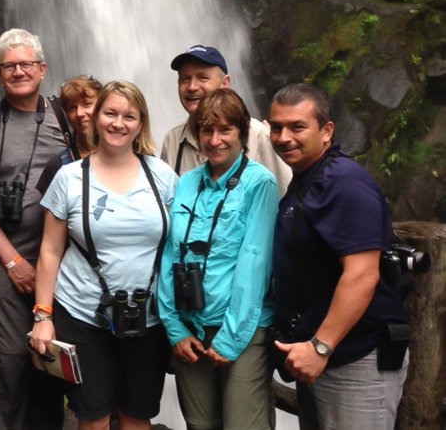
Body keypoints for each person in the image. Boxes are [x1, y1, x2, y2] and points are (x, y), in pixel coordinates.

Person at [30, 80, 178, 430]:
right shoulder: (68, 178)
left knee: (137, 415)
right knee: (92, 415)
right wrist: (43, 316)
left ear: (140, 123)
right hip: (83, 314)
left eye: (129, 116)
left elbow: (177, 247)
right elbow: (50, 251)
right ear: (96, 118)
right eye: (110, 113)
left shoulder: (162, 176)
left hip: (148, 316)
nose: (118, 123)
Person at [268, 83, 408, 430]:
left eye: (297, 127)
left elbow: (362, 274)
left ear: (326, 130)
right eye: (276, 127)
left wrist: (320, 347)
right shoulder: (306, 180)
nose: (284, 137)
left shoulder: (343, 182)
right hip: (320, 356)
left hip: (355, 357)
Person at [0, 28, 67, 430]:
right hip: (5, 266)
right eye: (9, 66)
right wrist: (12, 261)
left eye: (26, 64)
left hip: (60, 266)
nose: (18, 71)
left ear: (42, 69)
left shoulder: (64, 118)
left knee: (50, 362)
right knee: (7, 363)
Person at [156, 88, 277, 429]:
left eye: (225, 130)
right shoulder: (186, 183)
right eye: (206, 130)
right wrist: (174, 327)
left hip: (241, 328)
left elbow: (255, 262)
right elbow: (169, 257)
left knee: (243, 425)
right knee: (199, 424)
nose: (215, 139)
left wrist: (231, 337)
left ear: (241, 132)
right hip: (189, 326)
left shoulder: (259, 184)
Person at [160, 44, 291, 197]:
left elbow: (288, 196)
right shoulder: (173, 140)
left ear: (225, 83)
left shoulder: (257, 134)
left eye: (202, 78)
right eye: (185, 79)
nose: (192, 87)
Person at [36, 74, 102, 194]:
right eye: (72, 108)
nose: (79, 113)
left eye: (87, 104)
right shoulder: (57, 166)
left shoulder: (129, 156)